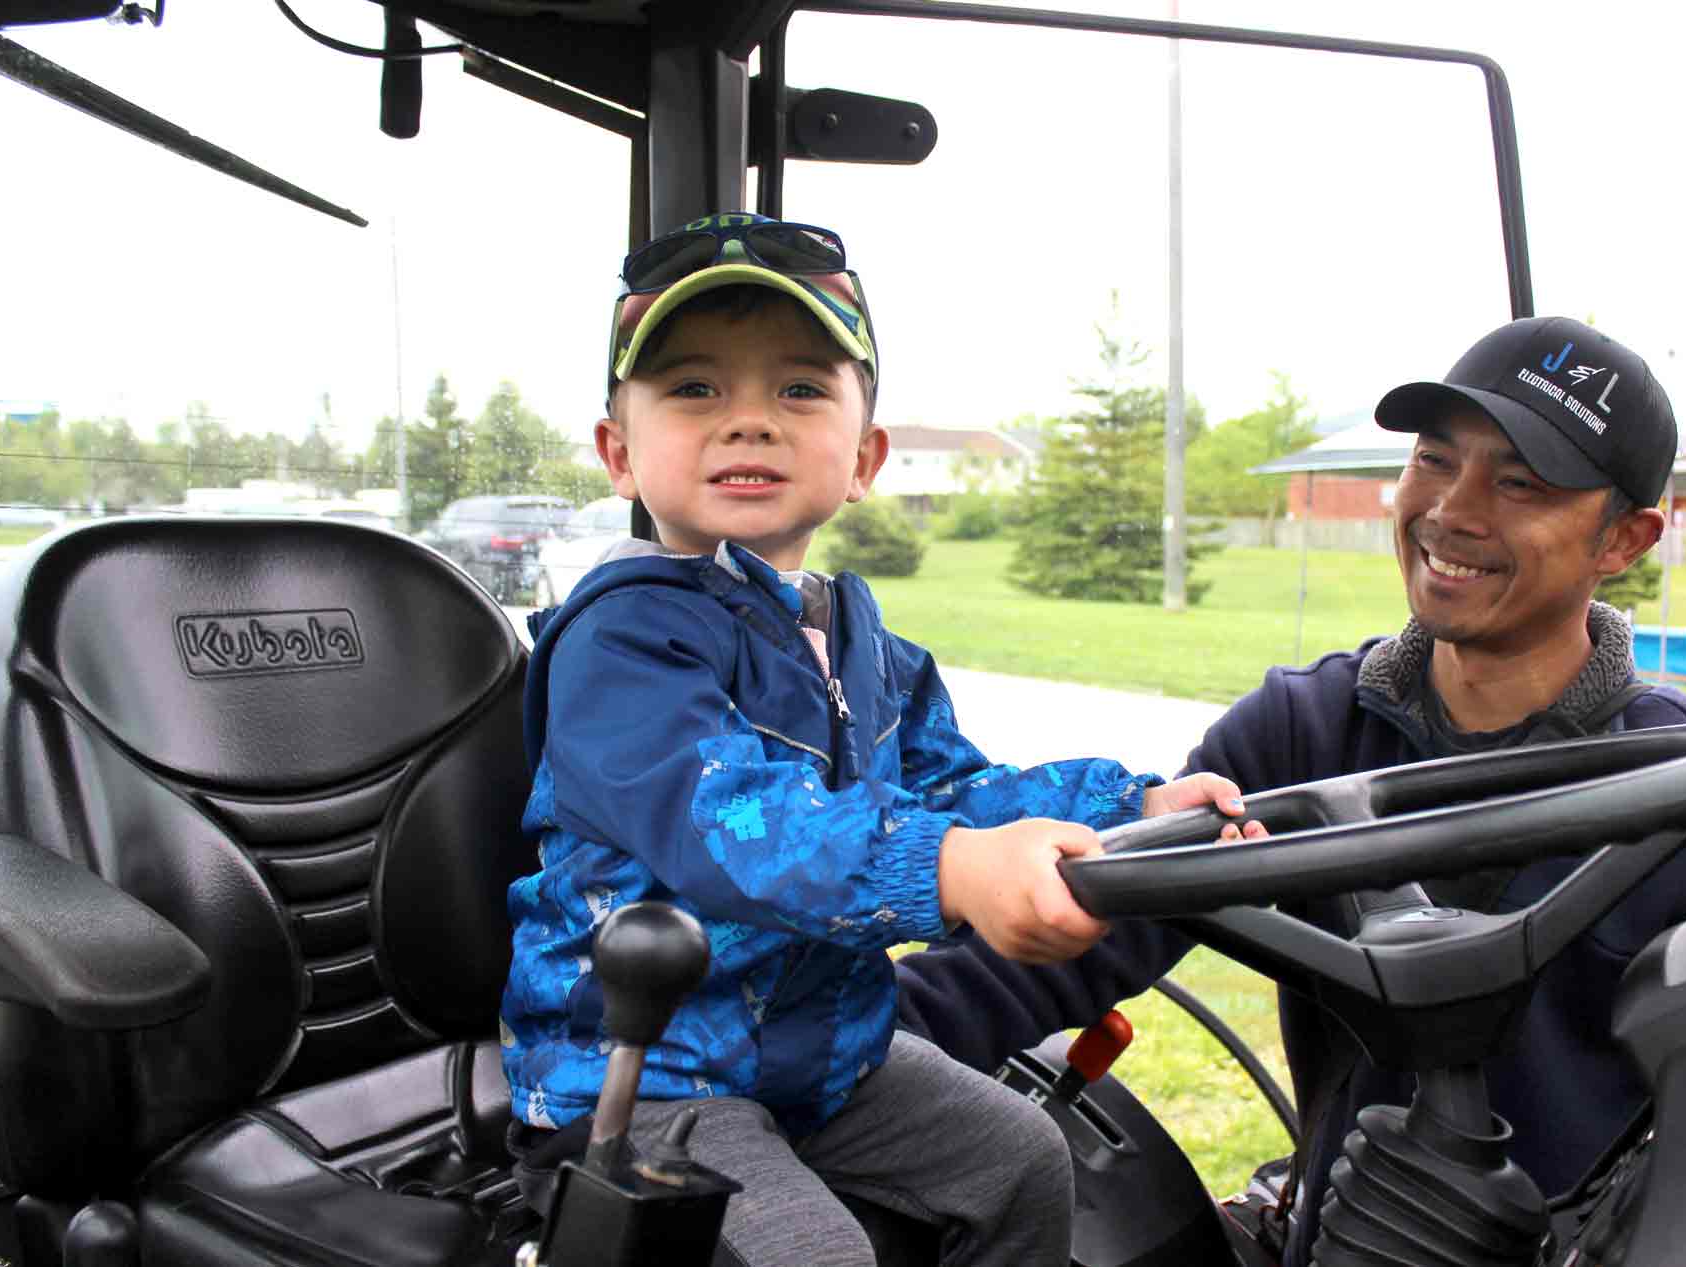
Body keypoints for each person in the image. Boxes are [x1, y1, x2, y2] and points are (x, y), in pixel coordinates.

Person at [895, 315, 1686, 1267]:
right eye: (1434, 459)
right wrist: (820, 1049)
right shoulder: (1303, 730)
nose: (1453, 510)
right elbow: (1077, 940)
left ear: (1623, 540)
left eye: (1520, 483)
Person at [499, 212, 1260, 1267]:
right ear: (618, 453)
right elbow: (732, 822)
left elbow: (959, 786)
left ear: (863, 457)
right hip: (649, 1074)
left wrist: (1125, 807)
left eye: (799, 389)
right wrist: (946, 865)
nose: (749, 422)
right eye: (694, 389)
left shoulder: (862, 643)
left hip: (827, 1060)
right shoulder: (621, 640)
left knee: (1026, 1161)